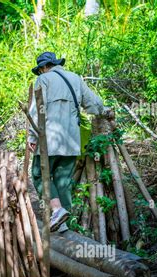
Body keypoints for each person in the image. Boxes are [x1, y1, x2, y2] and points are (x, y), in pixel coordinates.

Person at [28, 51, 109, 233]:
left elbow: (37, 110)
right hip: (72, 141)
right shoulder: (75, 79)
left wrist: (32, 136)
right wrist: (106, 112)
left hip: (49, 139)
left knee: (39, 174)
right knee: (63, 181)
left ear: (43, 68)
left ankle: (57, 210)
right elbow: (94, 104)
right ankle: (63, 225)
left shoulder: (43, 79)